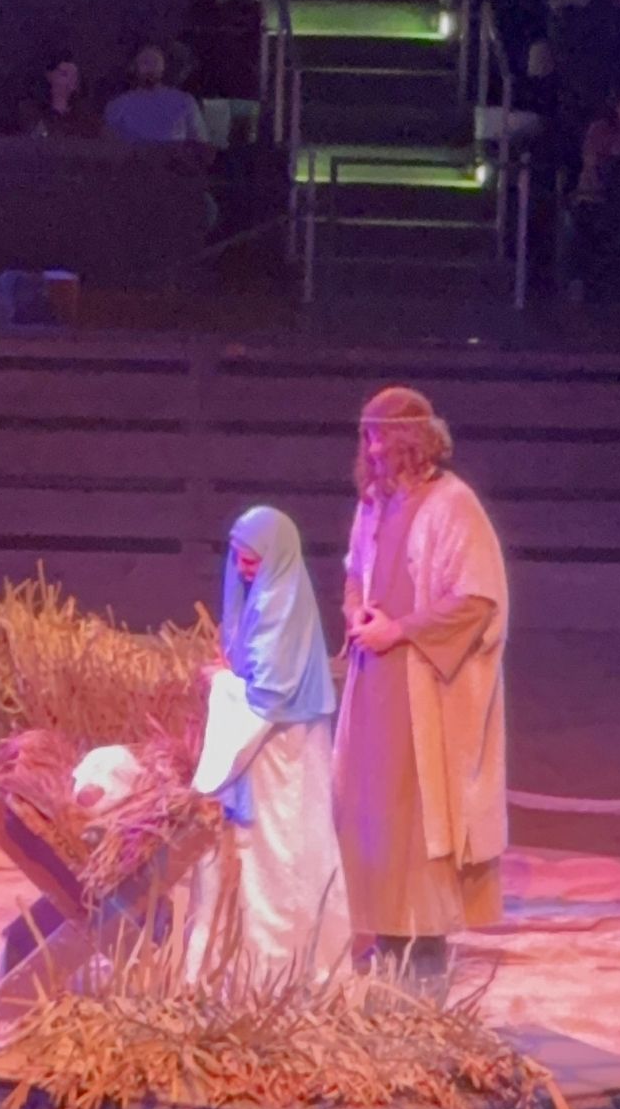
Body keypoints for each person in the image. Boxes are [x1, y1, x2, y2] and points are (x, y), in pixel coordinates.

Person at [333, 386, 508, 983]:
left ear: (411, 438)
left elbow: (478, 601)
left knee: (416, 813)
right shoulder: (372, 506)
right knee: (370, 809)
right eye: (367, 436)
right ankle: (381, 932)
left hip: (422, 689)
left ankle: (423, 945)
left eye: (381, 435)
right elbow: (355, 574)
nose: (372, 448)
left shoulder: (453, 504)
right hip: (373, 684)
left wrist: (401, 631)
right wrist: (357, 614)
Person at [185, 506, 350, 981]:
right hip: (266, 754)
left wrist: (221, 683)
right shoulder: (259, 600)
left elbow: (269, 696)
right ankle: (253, 967)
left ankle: (292, 970)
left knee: (287, 858)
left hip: (285, 754)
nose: (243, 569)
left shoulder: (282, 606)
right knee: (262, 861)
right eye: (238, 558)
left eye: (253, 559)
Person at [104, 44, 211, 144]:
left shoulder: (185, 102)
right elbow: (109, 145)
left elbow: (200, 144)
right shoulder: (118, 106)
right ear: (135, 67)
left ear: (163, 66)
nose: (150, 68)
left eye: (155, 62)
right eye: (145, 62)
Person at [20, 54, 100, 139]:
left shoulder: (86, 116)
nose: (70, 81)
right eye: (64, 74)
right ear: (49, 76)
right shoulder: (31, 110)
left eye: (74, 76)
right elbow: (34, 138)